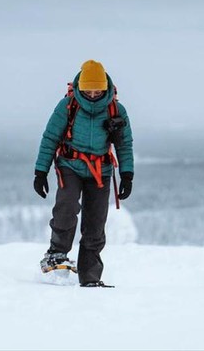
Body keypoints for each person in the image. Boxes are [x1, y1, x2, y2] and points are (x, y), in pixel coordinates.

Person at [33, 59, 134, 288]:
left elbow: (124, 144)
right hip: (71, 165)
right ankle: (56, 254)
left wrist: (127, 174)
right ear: (80, 87)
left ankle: (90, 277)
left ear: (106, 87)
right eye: (88, 89)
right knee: (66, 208)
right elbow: (50, 137)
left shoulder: (116, 109)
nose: (93, 93)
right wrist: (41, 171)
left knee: (95, 224)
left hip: (101, 170)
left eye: (98, 89)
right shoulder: (67, 106)